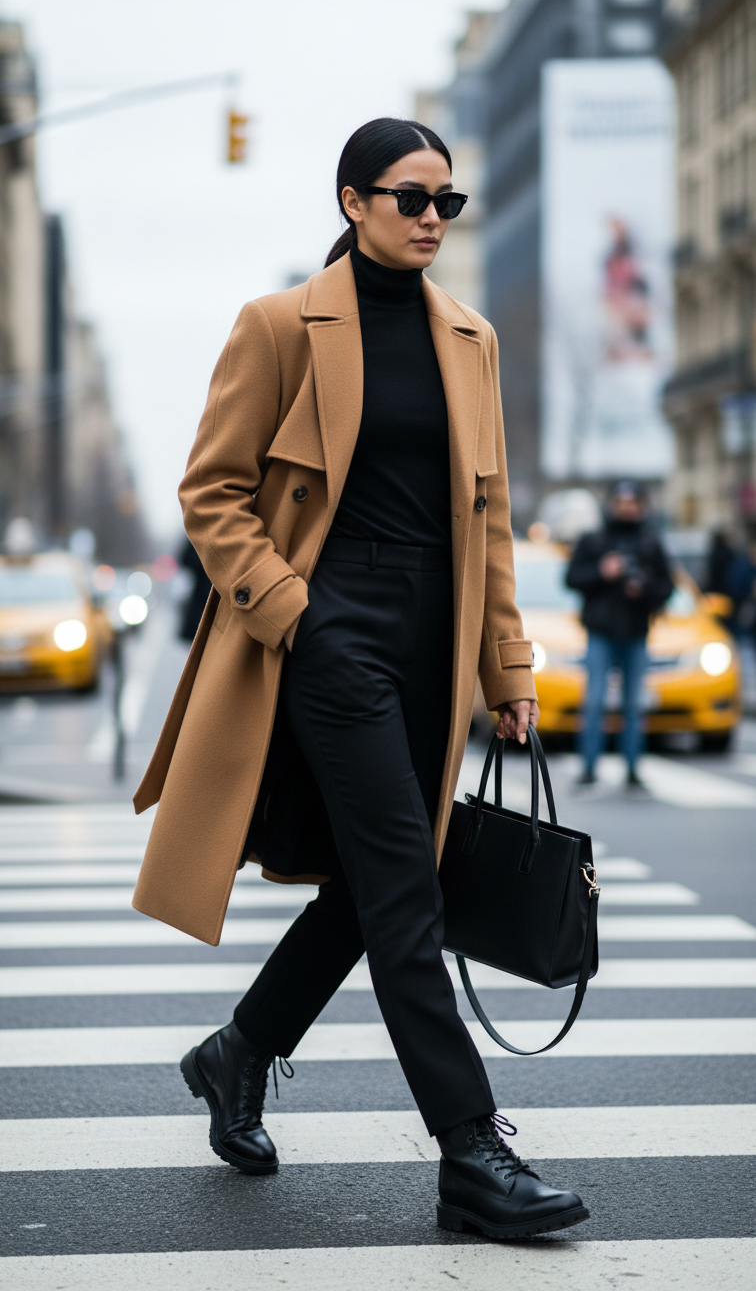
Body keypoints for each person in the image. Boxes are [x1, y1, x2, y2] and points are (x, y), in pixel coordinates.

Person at [132, 118, 589, 1240]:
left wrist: (506, 665)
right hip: (335, 639)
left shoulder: (471, 338)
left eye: (448, 202)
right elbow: (212, 492)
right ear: (353, 201)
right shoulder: (282, 325)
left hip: (435, 640)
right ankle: (471, 1151)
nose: (432, 217)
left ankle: (239, 1051)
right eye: (410, 197)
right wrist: (297, 614)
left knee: (384, 879)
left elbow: (489, 518)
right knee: (402, 893)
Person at [566, 481, 673, 786]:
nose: (627, 508)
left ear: (642, 506)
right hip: (600, 633)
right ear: (611, 504)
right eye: (621, 502)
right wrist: (602, 571)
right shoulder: (594, 540)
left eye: (633, 503)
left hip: (636, 634)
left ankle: (632, 768)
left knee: (633, 705)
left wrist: (644, 587)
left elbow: (668, 587)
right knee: (595, 701)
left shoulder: (651, 542)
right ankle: (588, 766)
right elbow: (572, 578)